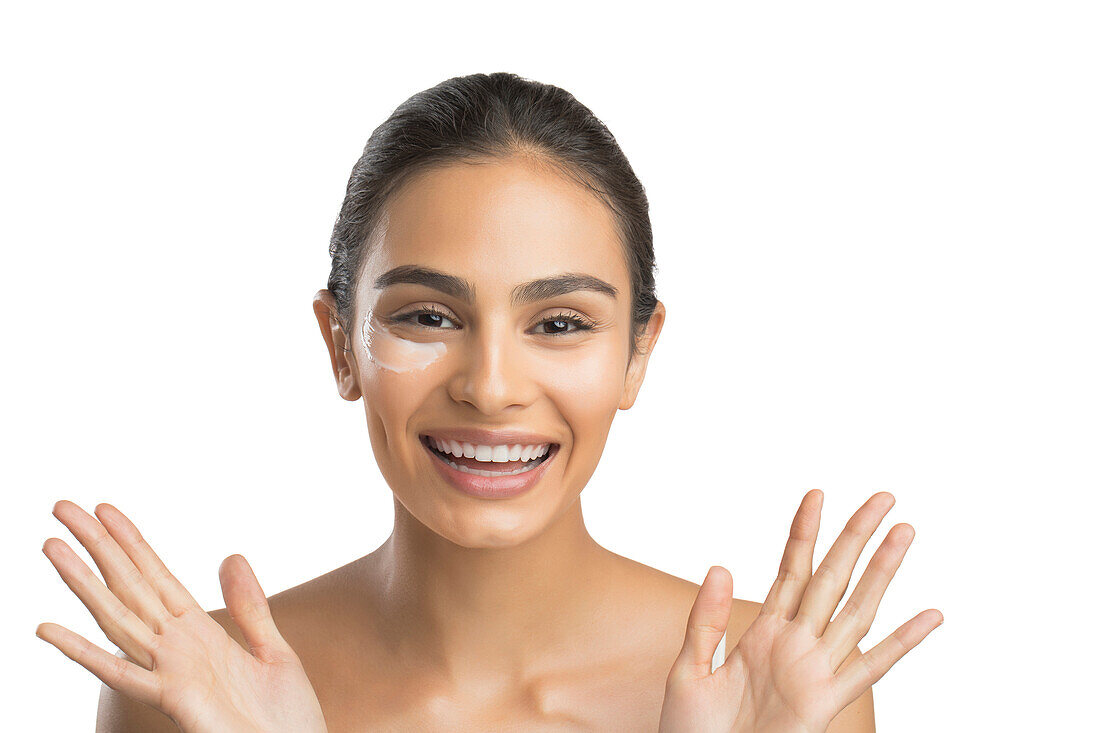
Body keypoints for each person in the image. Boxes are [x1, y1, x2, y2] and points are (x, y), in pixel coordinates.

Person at [37, 72, 942, 732]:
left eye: (558, 322)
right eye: (429, 315)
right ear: (340, 342)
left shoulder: (779, 687)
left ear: (639, 353)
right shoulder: (196, 693)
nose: (493, 386)